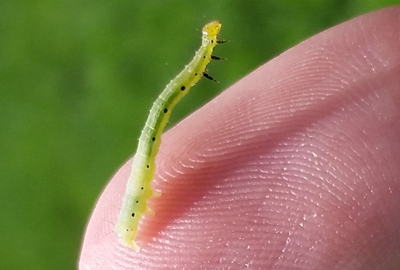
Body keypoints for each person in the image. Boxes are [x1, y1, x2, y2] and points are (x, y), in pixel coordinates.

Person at [79, 6, 400, 269]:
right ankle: (128, 228)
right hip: (134, 214)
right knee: (157, 122)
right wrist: (206, 48)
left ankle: (128, 229)